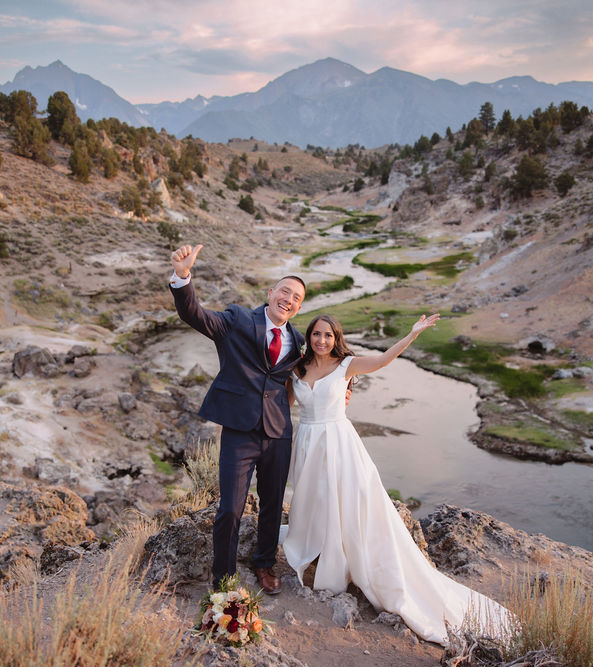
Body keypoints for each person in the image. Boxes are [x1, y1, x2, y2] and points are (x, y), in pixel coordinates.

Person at [282, 313, 515, 644]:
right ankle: (318, 548)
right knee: (315, 500)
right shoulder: (298, 370)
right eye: (316, 335)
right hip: (307, 442)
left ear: (337, 339)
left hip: (339, 445)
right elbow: (284, 403)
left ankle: (342, 562)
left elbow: (382, 360)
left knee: (348, 503)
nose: (322, 341)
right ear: (310, 337)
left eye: (328, 336)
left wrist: (412, 335)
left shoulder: (346, 365)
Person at [169, 243, 306, 594]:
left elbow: (320, 367)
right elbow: (196, 315)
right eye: (284, 291)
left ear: (299, 307)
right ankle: (224, 578)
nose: (288, 300)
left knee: (273, 506)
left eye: (297, 298)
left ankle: (264, 564)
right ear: (271, 293)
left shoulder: (299, 340)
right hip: (239, 432)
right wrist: (183, 277)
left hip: (279, 432)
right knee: (230, 508)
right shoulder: (237, 319)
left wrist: (346, 384)